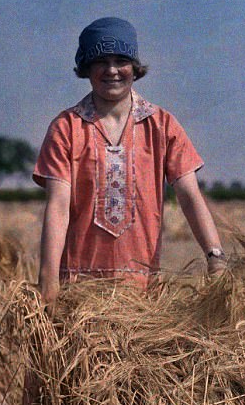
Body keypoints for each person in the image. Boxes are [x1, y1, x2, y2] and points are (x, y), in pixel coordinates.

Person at [33, 17, 226, 305]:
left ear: (134, 67)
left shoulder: (162, 125)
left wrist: (215, 257)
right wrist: (48, 283)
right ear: (86, 67)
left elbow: (189, 196)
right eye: (101, 61)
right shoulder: (66, 128)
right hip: (77, 292)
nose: (112, 70)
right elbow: (58, 206)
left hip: (142, 295)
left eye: (121, 60)